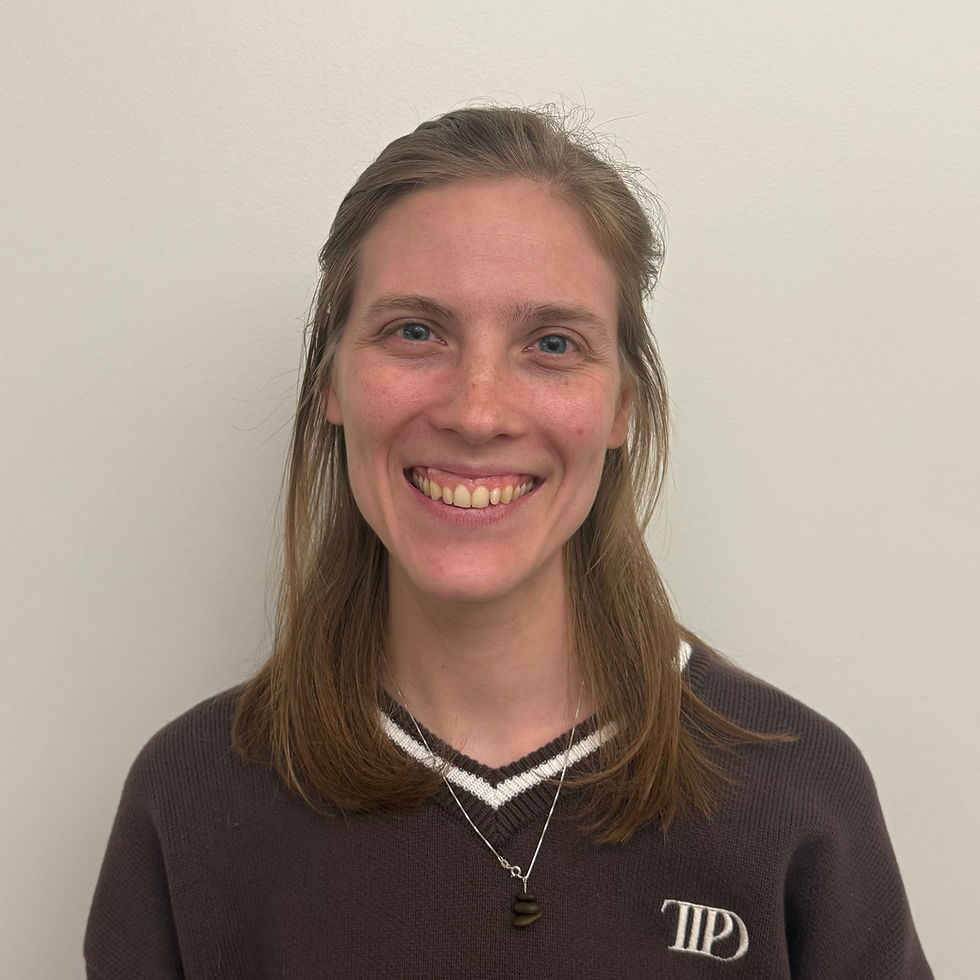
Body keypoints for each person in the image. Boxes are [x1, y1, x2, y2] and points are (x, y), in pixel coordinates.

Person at [85, 106, 932, 979]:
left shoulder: (796, 792)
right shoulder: (188, 800)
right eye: (415, 331)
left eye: (552, 344)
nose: (476, 410)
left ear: (620, 411)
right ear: (331, 383)